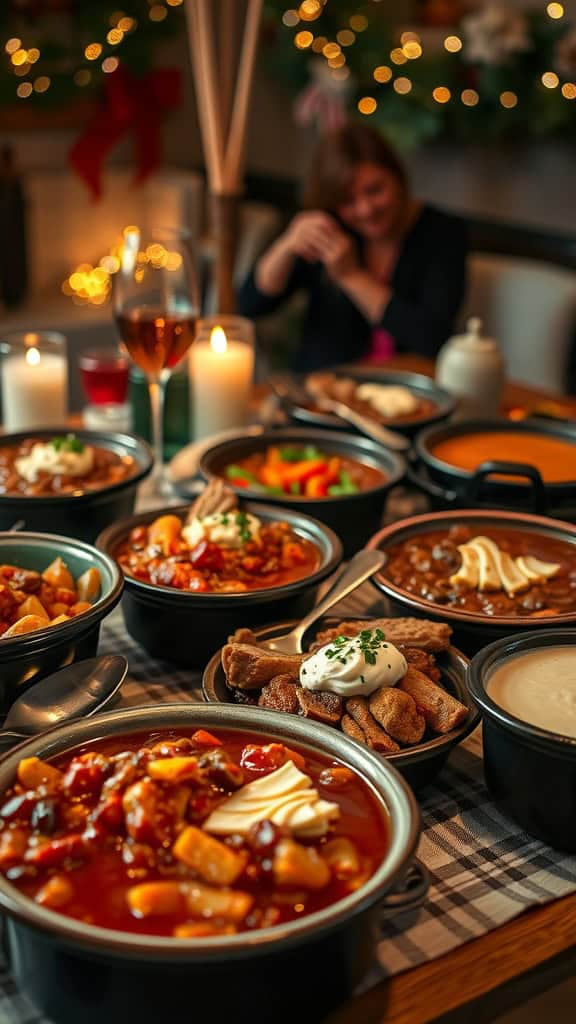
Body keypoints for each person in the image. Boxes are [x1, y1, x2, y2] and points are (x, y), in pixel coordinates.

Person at [237, 123, 468, 372]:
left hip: (408, 394)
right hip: (323, 391)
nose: (365, 209)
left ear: (397, 177)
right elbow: (251, 305)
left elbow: (433, 339)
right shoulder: (331, 226)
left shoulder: (443, 232)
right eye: (348, 200)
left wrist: (350, 276)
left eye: (375, 190)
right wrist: (286, 245)